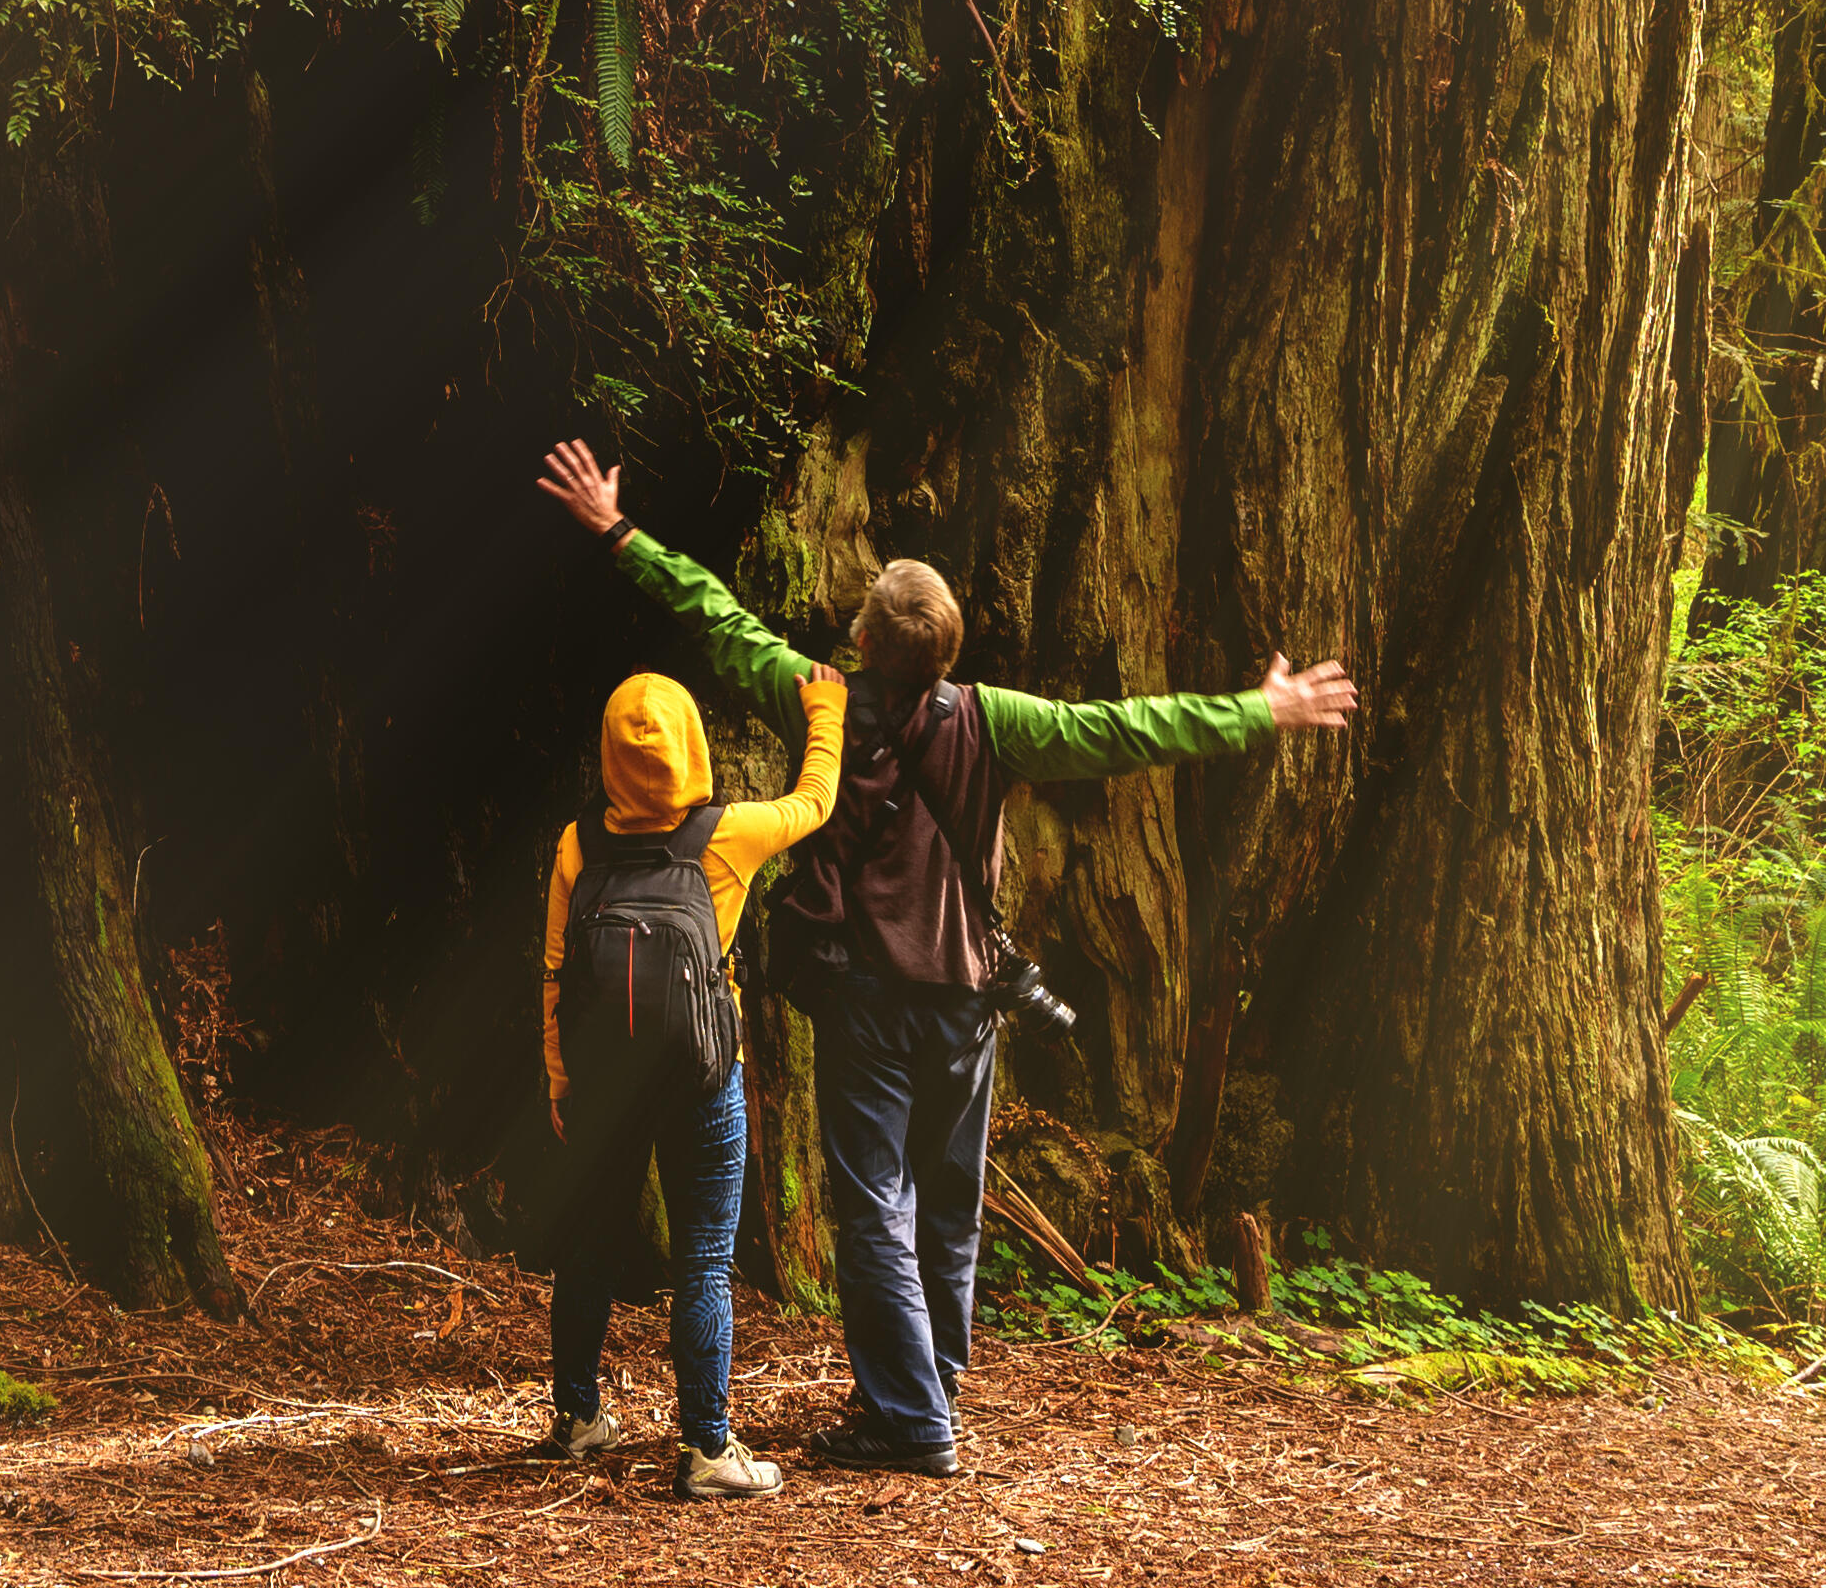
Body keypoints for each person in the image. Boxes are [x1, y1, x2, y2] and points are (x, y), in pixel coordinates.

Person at [531, 436, 1358, 1479]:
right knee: (947, 1197)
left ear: (866, 635)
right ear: (945, 650)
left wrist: (616, 528)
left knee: (873, 1198)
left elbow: (713, 615)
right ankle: (930, 1377)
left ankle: (911, 1416)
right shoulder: (990, 717)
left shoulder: (816, 692)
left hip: (867, 998)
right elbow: (1124, 729)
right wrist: (1260, 709)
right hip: (968, 994)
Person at [526, 559, 842, 1500]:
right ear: (694, 747)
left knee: (586, 1244)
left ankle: (578, 1417)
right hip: (705, 1079)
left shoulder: (578, 844)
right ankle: (706, 1449)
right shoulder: (728, 836)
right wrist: (823, 710)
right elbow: (816, 801)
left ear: (609, 757)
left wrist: (558, 1077)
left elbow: (552, 970)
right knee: (703, 1257)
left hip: (602, 1080)